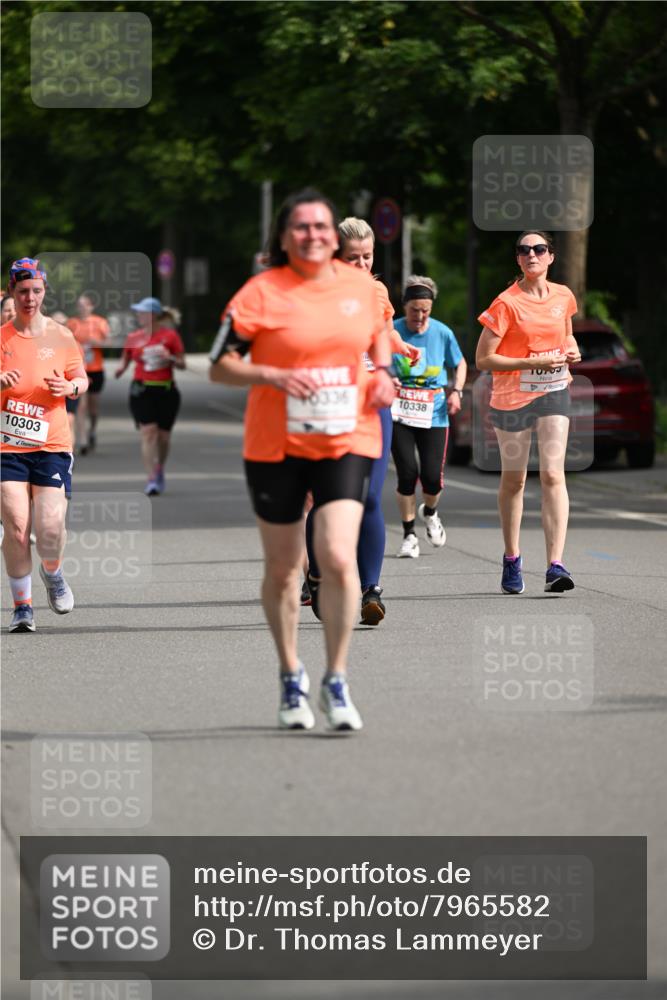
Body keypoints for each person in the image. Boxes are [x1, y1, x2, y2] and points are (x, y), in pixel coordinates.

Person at [209, 189, 394, 731]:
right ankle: (291, 674)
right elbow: (221, 364)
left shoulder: (361, 288)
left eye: (321, 226)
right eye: (301, 227)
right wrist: (272, 375)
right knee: (286, 567)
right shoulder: (260, 293)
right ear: (285, 236)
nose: (313, 234)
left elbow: (380, 334)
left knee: (337, 556)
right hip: (275, 444)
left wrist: (382, 373)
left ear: (333, 235)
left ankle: (336, 679)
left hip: (346, 436)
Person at [304, 216, 420, 625]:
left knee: (370, 496)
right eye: (352, 257)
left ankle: (371, 589)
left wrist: (400, 346)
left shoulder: (376, 291)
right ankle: (317, 575)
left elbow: (383, 332)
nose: (361, 264)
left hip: (373, 399)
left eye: (367, 257)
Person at [475, 230, 581, 594]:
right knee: (515, 480)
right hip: (512, 397)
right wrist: (527, 361)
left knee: (552, 473)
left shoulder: (563, 296)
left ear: (551, 256)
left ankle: (555, 564)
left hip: (553, 390)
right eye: (524, 250)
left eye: (539, 249)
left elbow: (566, 333)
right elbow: (484, 358)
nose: (531, 255)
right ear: (518, 259)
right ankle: (511, 557)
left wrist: (572, 350)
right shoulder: (506, 303)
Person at [1, 258, 88, 632]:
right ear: (11, 293)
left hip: (51, 444)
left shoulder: (61, 335)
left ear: (44, 292)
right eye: (22, 292)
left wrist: (70, 388)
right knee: (17, 526)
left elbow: (81, 378)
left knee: (50, 528)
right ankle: (22, 606)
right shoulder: (1, 337)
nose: (29, 298)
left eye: (36, 291)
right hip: (7, 448)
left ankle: (52, 572)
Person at [391, 275, 467, 558]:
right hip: (399, 413)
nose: (420, 316)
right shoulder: (393, 332)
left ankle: (430, 511)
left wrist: (457, 391)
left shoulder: (442, 333)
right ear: (404, 307)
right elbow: (373, 363)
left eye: (425, 310)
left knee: (432, 479)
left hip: (434, 414)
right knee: (407, 473)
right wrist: (388, 379)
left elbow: (459, 364)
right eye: (414, 310)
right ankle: (409, 534)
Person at [115, 297, 185, 496]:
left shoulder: (170, 336)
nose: (138, 315)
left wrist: (169, 358)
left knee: (163, 437)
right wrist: (120, 370)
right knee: (149, 432)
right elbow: (125, 359)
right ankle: (151, 477)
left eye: (142, 312)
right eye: (138, 312)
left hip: (166, 391)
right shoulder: (134, 337)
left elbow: (182, 364)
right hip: (141, 390)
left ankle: (159, 467)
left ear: (153, 315)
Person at [66, 295, 110, 454]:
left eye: (85, 305)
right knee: (81, 406)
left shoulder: (100, 322)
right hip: (79, 370)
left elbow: (110, 343)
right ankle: (82, 439)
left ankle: (92, 430)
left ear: (91, 306)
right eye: (79, 305)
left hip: (96, 369)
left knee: (94, 407)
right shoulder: (72, 323)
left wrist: (95, 342)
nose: (82, 308)